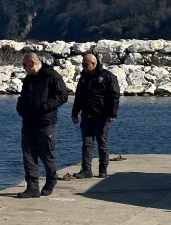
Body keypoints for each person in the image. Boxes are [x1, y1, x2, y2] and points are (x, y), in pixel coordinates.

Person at [15, 52, 68, 198]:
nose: (23, 67)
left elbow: (63, 96)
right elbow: (23, 97)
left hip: (45, 123)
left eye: (24, 64)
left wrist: (45, 106)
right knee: (28, 154)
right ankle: (32, 187)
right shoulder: (28, 79)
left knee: (46, 154)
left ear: (32, 63)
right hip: (28, 122)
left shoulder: (52, 76)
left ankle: (51, 179)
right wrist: (20, 108)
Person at [71, 52, 120, 178]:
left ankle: (103, 169)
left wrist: (112, 114)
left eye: (85, 64)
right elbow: (78, 96)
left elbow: (114, 96)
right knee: (87, 144)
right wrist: (75, 113)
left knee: (102, 144)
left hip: (102, 116)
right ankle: (86, 169)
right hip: (87, 116)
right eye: (82, 64)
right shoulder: (83, 77)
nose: (83, 67)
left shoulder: (107, 76)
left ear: (93, 63)